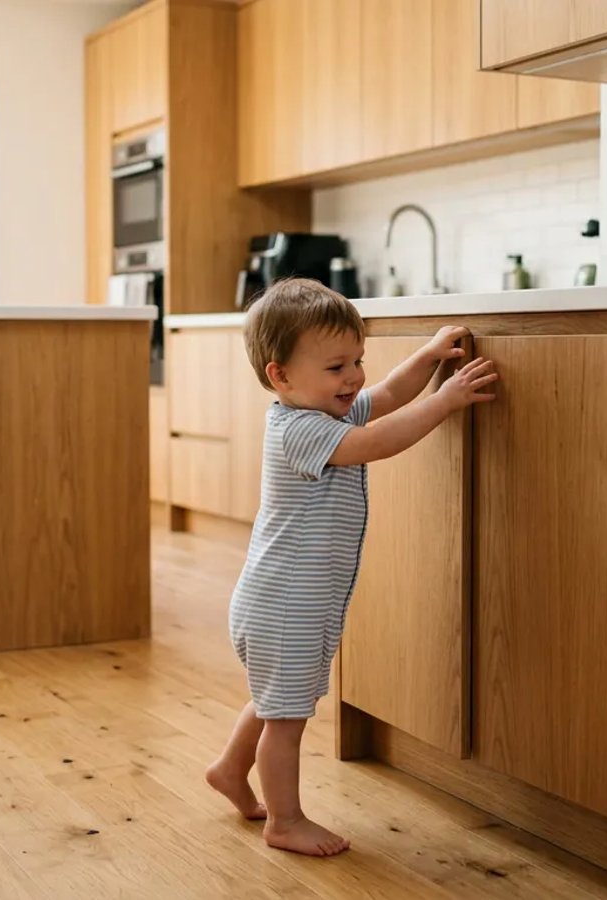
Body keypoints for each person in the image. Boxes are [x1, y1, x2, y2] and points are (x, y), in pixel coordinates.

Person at [204, 277, 498, 856]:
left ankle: (228, 770)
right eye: (338, 367)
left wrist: (429, 358)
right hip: (286, 603)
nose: (355, 377)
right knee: (286, 720)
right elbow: (380, 440)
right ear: (280, 376)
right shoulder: (301, 429)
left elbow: (386, 397)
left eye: (357, 360)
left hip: (288, 600)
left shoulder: (322, 410)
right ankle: (284, 820)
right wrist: (446, 400)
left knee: (275, 701)